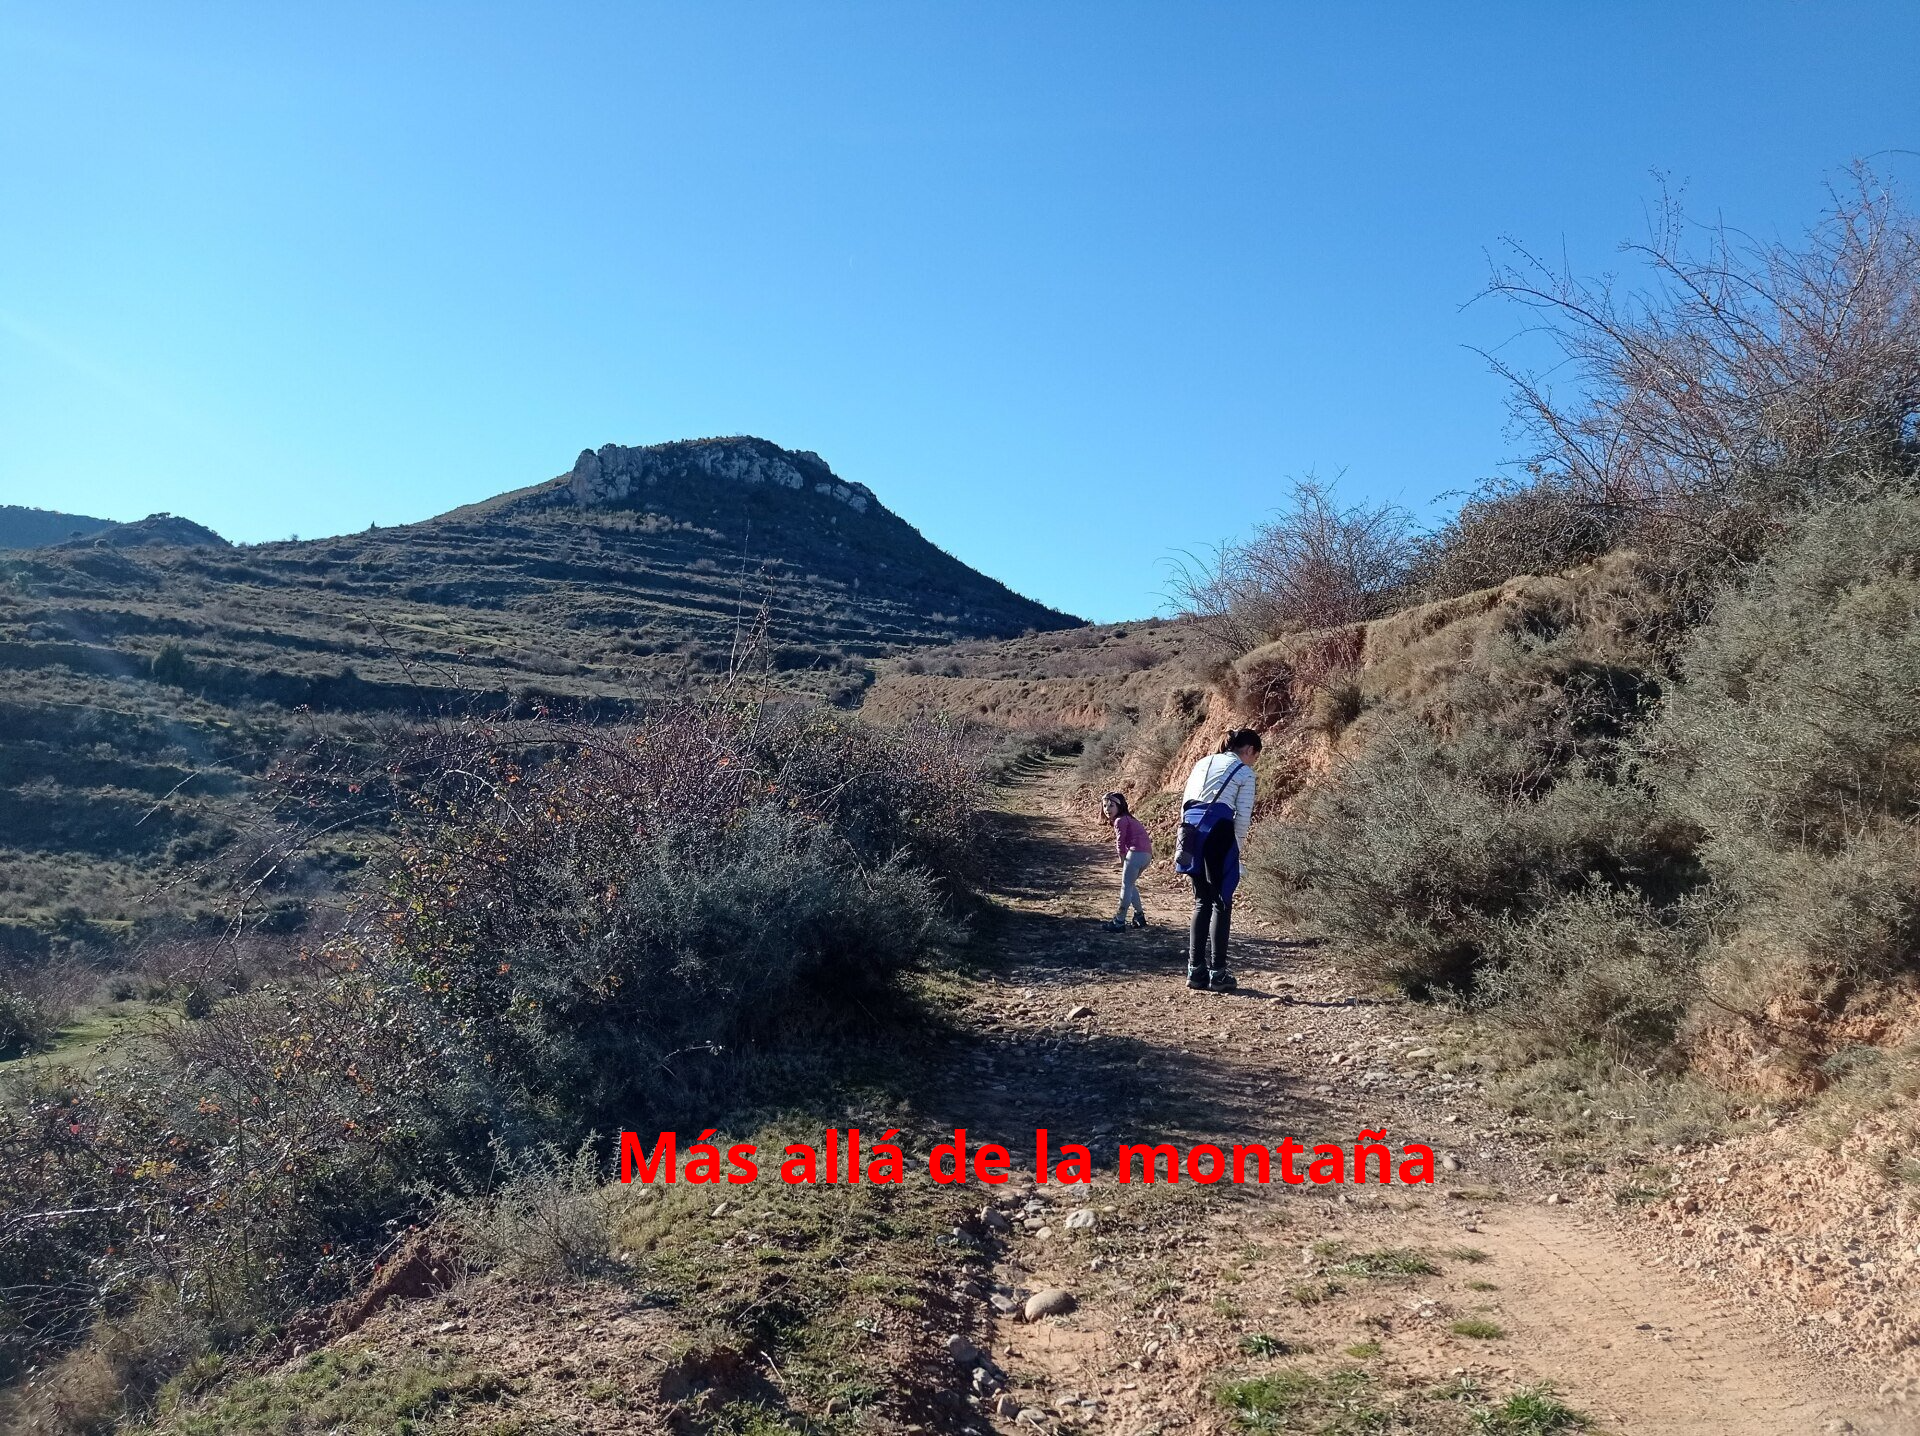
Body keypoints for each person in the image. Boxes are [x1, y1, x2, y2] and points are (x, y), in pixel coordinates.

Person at [1175, 728, 1261, 991]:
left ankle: (1195, 970)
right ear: (1248, 751)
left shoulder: (1202, 762)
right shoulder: (1244, 772)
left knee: (1201, 900)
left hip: (1190, 830)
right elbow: (1243, 817)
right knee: (1222, 902)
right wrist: (1236, 852)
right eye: (1255, 756)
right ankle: (1218, 972)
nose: (1254, 761)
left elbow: (1185, 802)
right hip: (1219, 833)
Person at [1101, 791, 1152, 931]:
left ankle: (1119, 921)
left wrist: (1122, 859)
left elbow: (1120, 841)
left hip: (1135, 854)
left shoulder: (1120, 820)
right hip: (1146, 855)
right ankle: (1139, 916)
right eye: (1105, 806)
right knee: (1130, 884)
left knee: (1125, 886)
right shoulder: (1129, 818)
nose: (1107, 809)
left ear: (1120, 806)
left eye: (1111, 805)